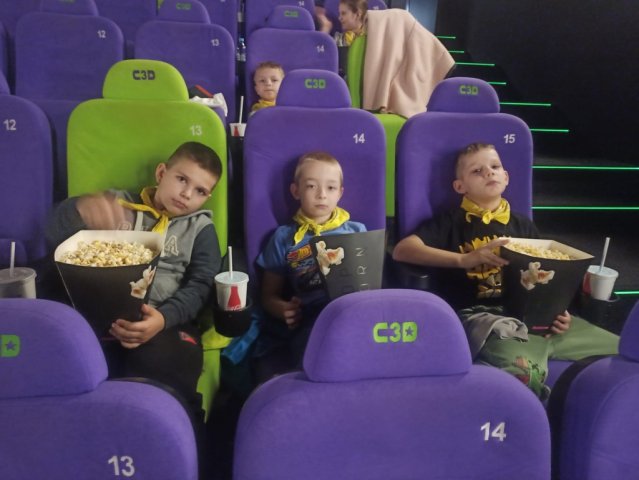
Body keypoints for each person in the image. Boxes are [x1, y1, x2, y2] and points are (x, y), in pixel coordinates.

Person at [392, 142, 619, 399]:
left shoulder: (523, 225)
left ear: (506, 177)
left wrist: (561, 313)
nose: (489, 172)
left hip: (536, 317)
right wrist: (463, 259)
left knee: (626, 350)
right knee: (526, 374)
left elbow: (547, 277)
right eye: (477, 171)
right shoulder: (451, 222)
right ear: (460, 186)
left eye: (495, 167)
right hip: (483, 316)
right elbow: (403, 250)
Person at [46, 141, 223, 418]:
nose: (187, 194)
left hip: (164, 322)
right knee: (70, 363)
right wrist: (80, 209)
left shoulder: (199, 228)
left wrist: (163, 319)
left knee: (165, 372)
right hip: (98, 314)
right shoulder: (117, 205)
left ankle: (172, 431)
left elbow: (201, 285)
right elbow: (56, 233)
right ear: (161, 173)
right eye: (181, 179)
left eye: (200, 191)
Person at [254, 151, 366, 380]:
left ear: (340, 193)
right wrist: (283, 309)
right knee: (317, 356)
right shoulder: (284, 237)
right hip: (311, 319)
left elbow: (372, 282)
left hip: (355, 314)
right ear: (296, 191)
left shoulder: (357, 231)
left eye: (331, 188)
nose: (322, 195)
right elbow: (268, 296)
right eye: (311, 186)